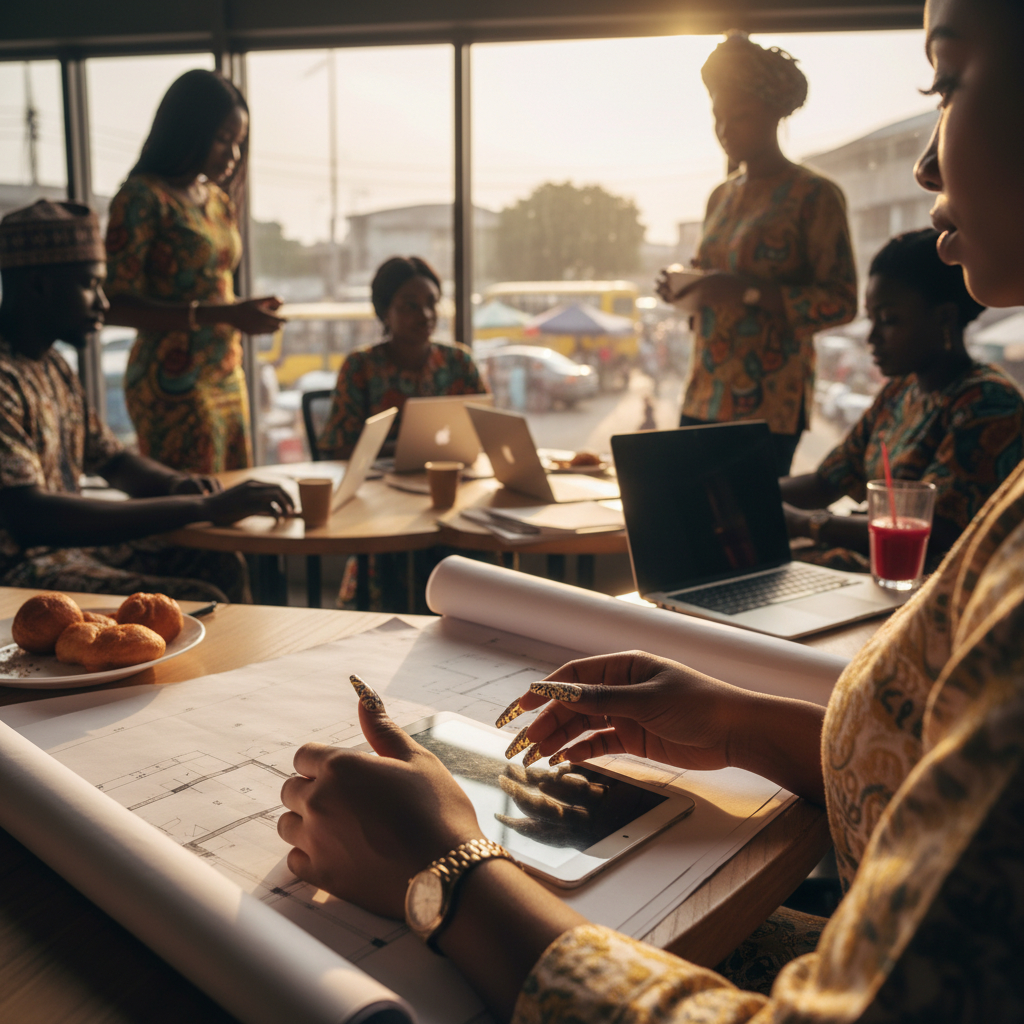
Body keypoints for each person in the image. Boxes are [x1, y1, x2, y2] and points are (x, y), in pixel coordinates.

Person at [276, 0, 1024, 1019]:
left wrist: (445, 872)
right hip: (708, 396)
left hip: (763, 402)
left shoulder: (824, 217)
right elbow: (948, 773)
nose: (927, 168)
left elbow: (828, 303)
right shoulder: (738, 211)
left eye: (944, 82)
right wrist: (733, 719)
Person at [0, 200, 295, 602]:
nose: (103, 304)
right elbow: (30, 518)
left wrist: (177, 484)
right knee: (196, 598)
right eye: (90, 286)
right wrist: (200, 508)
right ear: (38, 285)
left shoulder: (51, 364)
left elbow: (112, 460)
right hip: (19, 572)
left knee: (220, 563)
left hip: (67, 553)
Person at [659, 32, 858, 476]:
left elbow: (842, 301)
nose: (725, 130)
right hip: (704, 390)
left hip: (769, 400)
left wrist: (746, 292)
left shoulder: (815, 195)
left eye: (740, 116)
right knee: (688, 522)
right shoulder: (721, 197)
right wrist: (686, 290)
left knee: (748, 536)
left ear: (774, 114)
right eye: (717, 117)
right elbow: (712, 284)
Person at [783, 228, 1023, 572]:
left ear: (944, 317)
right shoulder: (900, 392)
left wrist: (806, 524)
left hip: (925, 590)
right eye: (871, 318)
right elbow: (827, 481)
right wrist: (744, 491)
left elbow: (936, 535)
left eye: (889, 319)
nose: (872, 337)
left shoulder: (988, 404)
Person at [104, 69, 284, 474]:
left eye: (238, 143)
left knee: (236, 496)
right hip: (173, 381)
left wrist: (241, 309)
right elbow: (114, 305)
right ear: (188, 130)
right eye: (223, 140)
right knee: (196, 507)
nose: (233, 155)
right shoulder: (141, 199)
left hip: (225, 369)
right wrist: (225, 314)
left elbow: (210, 288)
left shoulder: (218, 202)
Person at [318, 256, 486, 459]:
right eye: (410, 306)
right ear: (385, 312)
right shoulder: (360, 366)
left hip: (450, 480)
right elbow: (339, 450)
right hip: (378, 487)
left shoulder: (459, 361)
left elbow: (487, 435)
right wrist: (413, 450)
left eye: (431, 303)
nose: (425, 315)